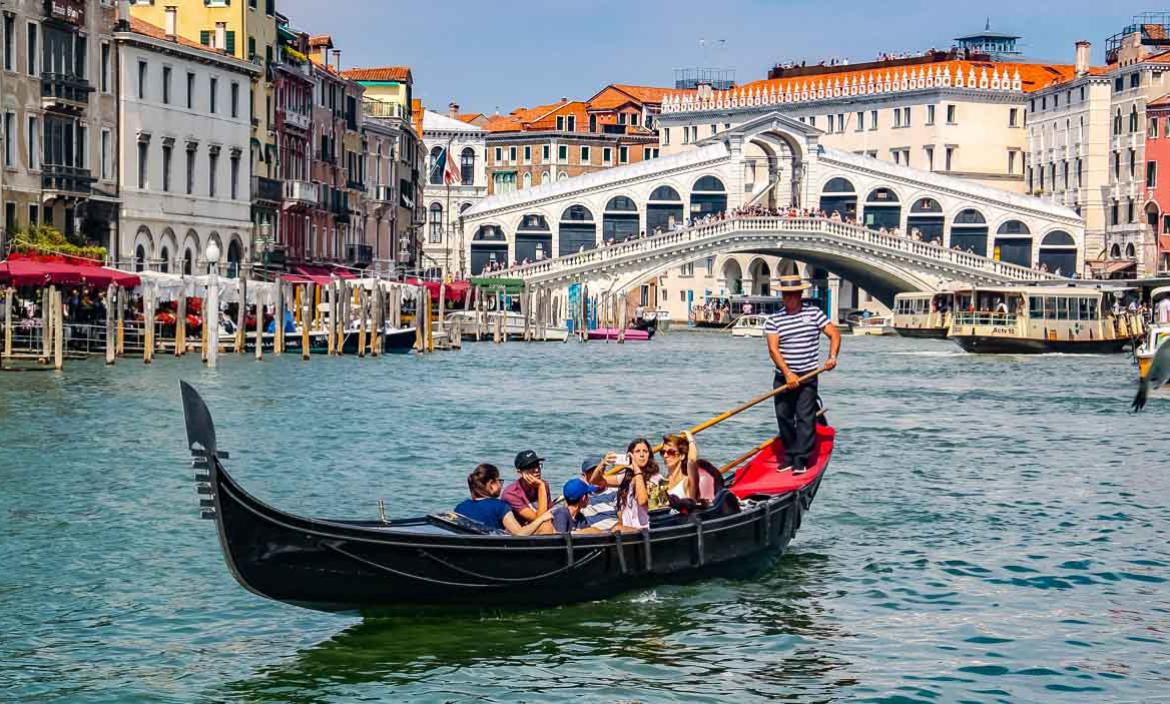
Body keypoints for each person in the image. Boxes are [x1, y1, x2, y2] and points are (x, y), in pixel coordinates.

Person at [764, 274, 841, 475]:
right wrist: (788, 373)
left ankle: (801, 459)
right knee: (784, 416)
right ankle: (789, 455)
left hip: (808, 375)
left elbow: (834, 333)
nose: (788, 299)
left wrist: (832, 356)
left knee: (805, 417)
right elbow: (773, 350)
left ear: (799, 295)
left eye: (791, 295)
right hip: (783, 376)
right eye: (785, 295)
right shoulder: (774, 319)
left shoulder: (814, 314)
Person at [454, 464, 553, 535]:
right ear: (491, 484)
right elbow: (519, 534)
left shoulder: (460, 507)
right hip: (495, 551)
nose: (501, 485)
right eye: (499, 481)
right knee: (546, 527)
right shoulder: (500, 506)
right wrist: (541, 519)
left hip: (472, 548)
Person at [502, 449, 553, 531]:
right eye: (531, 467)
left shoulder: (544, 485)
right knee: (546, 526)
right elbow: (540, 520)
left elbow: (549, 514)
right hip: (523, 533)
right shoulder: (511, 494)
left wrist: (542, 486)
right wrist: (541, 487)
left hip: (541, 529)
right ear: (520, 472)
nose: (536, 470)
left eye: (537, 465)